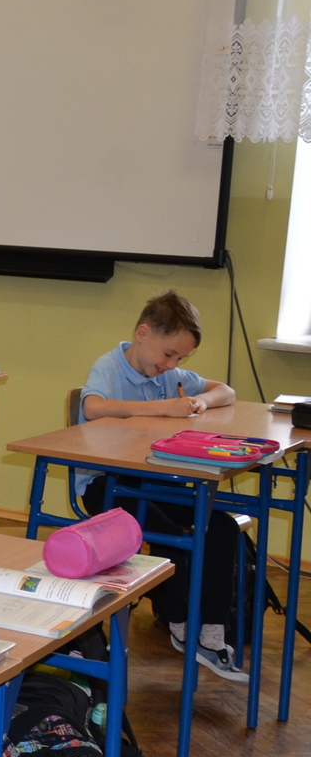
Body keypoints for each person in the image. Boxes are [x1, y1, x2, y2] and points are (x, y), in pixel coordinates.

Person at [80, 291, 244, 680]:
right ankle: (180, 623)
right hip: (106, 484)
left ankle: (212, 631)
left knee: (222, 527)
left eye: (180, 360)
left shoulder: (169, 375)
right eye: (169, 354)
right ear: (143, 333)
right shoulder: (110, 366)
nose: (171, 365)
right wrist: (162, 408)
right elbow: (92, 407)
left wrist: (201, 402)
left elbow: (227, 391)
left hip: (150, 481)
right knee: (172, 539)